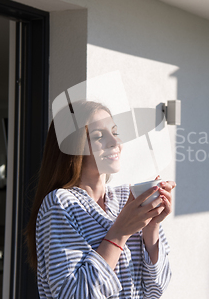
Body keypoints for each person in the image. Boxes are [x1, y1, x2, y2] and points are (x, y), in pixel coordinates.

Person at [25, 100, 174, 299]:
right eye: (98, 136)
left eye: (115, 132)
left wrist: (151, 228)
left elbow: (155, 289)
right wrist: (120, 232)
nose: (115, 142)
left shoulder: (127, 199)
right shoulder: (62, 203)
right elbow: (74, 295)